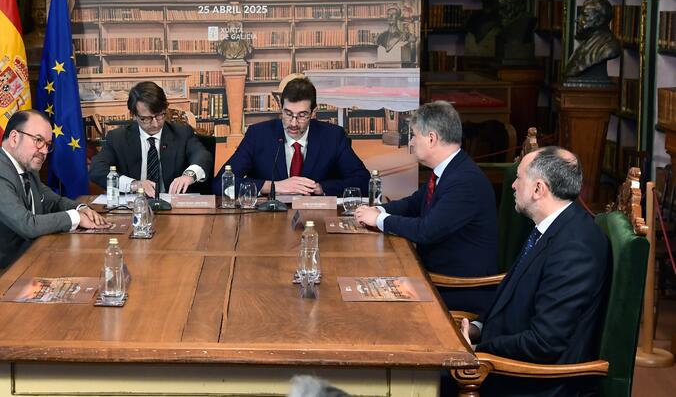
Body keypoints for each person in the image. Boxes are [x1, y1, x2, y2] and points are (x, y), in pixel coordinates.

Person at [459, 147, 610, 396]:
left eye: (519, 178)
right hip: (507, 361)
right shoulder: (551, 227)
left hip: (532, 382)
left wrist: (478, 350)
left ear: (538, 189)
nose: (513, 185)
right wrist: (476, 327)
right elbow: (513, 297)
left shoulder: (575, 247)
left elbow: (544, 343)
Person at [354, 101, 498, 315]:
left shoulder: (464, 181)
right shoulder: (450, 170)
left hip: (456, 287)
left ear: (431, 138)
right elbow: (412, 204)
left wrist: (379, 220)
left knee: (369, 305)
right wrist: (379, 210)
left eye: (414, 135)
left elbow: (426, 230)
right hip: (431, 274)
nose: (411, 142)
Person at [0, 109, 110, 269]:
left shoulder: (26, 168)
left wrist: (81, 208)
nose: (44, 151)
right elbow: (27, 225)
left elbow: (54, 201)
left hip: (15, 257)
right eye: (38, 140)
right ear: (14, 138)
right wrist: (76, 217)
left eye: (48, 144)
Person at [212, 76, 369, 197]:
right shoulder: (258, 135)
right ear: (281, 108)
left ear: (313, 113)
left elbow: (363, 181)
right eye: (288, 114)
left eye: (302, 115)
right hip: (268, 219)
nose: (293, 123)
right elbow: (220, 183)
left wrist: (320, 188)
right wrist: (274, 187)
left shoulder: (333, 136)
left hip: (316, 218)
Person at [89, 81, 213, 196]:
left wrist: (189, 175)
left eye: (159, 115)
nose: (155, 124)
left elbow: (203, 155)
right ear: (134, 115)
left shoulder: (182, 133)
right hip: (134, 205)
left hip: (173, 205)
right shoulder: (117, 138)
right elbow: (97, 169)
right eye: (146, 119)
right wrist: (133, 184)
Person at [565, 0, 621, 82]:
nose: (577, 19)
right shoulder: (586, 42)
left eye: (585, 15)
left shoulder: (610, 47)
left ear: (599, 20)